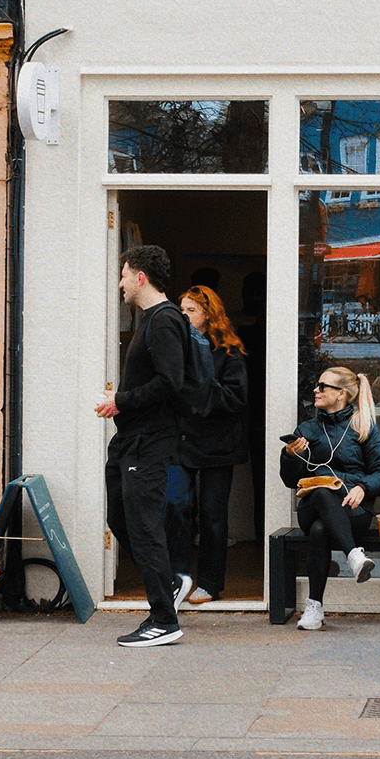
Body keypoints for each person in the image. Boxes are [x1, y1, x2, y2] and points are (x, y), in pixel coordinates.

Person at [96, 245, 200, 647]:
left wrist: (122, 400)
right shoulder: (152, 320)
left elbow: (170, 382)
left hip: (151, 441)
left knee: (142, 525)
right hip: (131, 440)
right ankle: (170, 582)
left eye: (124, 274)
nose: (120, 282)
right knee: (120, 519)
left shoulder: (165, 321)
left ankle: (163, 620)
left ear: (141, 277)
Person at [280, 367, 380, 630]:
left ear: (341, 394)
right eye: (317, 386)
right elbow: (289, 480)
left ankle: (314, 608)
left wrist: (363, 487)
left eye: (322, 386)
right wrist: (290, 455)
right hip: (311, 508)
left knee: (321, 530)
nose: (315, 390)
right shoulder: (307, 429)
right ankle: (354, 555)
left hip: (353, 510)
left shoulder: (363, 427)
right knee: (321, 489)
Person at [168, 285, 249, 607]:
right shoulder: (174, 348)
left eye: (191, 310)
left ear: (208, 315)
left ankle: (210, 584)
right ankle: (176, 578)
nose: (184, 316)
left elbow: (235, 398)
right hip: (180, 440)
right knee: (175, 506)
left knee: (213, 517)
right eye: (182, 310)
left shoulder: (230, 352)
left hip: (217, 444)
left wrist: (200, 392)